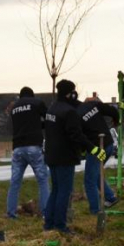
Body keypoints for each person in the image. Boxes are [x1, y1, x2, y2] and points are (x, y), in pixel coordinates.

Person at [44, 80, 106, 234]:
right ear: (69, 94)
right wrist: (93, 149)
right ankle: (60, 225)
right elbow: (76, 135)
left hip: (51, 155)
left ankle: (49, 224)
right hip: (65, 156)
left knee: (56, 189)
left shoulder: (52, 109)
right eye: (73, 91)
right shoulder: (69, 112)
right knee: (64, 191)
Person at [5, 87, 49, 219]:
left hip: (18, 148)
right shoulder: (37, 103)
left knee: (15, 182)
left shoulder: (14, 108)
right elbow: (48, 119)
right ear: (31, 95)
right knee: (42, 180)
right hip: (33, 146)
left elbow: (23, 123)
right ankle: (45, 213)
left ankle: (11, 214)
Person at [77, 95, 120, 214]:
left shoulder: (76, 114)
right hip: (109, 145)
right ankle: (110, 197)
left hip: (97, 149)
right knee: (96, 173)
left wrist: (81, 150)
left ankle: (95, 209)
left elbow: (78, 135)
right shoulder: (93, 105)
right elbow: (112, 110)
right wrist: (116, 120)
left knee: (89, 180)